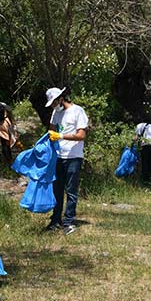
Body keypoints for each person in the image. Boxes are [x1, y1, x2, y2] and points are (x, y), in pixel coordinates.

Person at [44, 86, 89, 235]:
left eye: (54, 102)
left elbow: (81, 135)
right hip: (58, 155)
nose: (53, 106)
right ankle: (55, 220)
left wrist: (61, 136)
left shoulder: (77, 111)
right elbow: (51, 130)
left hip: (73, 156)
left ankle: (69, 221)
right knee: (57, 190)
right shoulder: (55, 113)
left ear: (61, 99)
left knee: (71, 190)